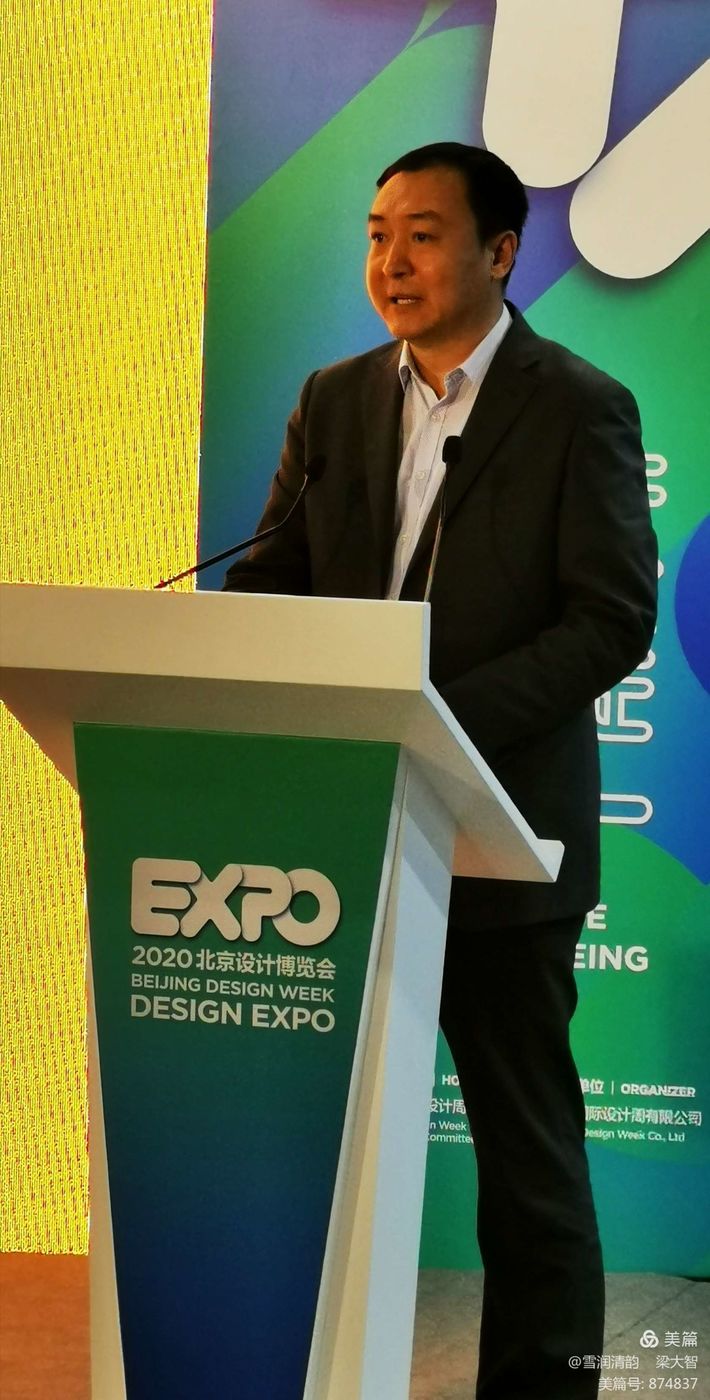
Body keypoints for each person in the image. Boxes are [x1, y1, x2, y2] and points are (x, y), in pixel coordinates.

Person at [223, 143, 658, 1399]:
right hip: (336, 835)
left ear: (498, 252)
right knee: (301, 1143)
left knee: (525, 1159)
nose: (390, 262)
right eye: (374, 235)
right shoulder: (333, 398)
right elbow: (275, 575)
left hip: (494, 834)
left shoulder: (576, 405)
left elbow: (609, 617)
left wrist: (439, 722)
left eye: (420, 234)